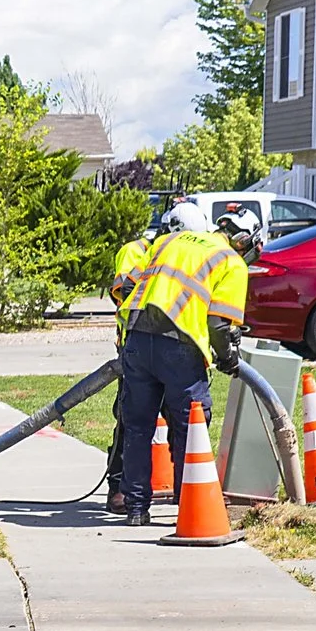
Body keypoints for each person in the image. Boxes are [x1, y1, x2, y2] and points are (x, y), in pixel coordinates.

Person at [115, 202, 248, 525]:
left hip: (136, 338)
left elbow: (127, 286)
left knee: (137, 427)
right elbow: (218, 325)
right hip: (180, 347)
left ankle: (135, 509)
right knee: (191, 429)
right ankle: (189, 503)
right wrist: (229, 358)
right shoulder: (230, 261)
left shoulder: (165, 243)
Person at [101, 215, 162, 516]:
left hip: (171, 346)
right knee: (130, 422)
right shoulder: (135, 251)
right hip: (135, 347)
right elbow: (124, 293)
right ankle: (118, 488)